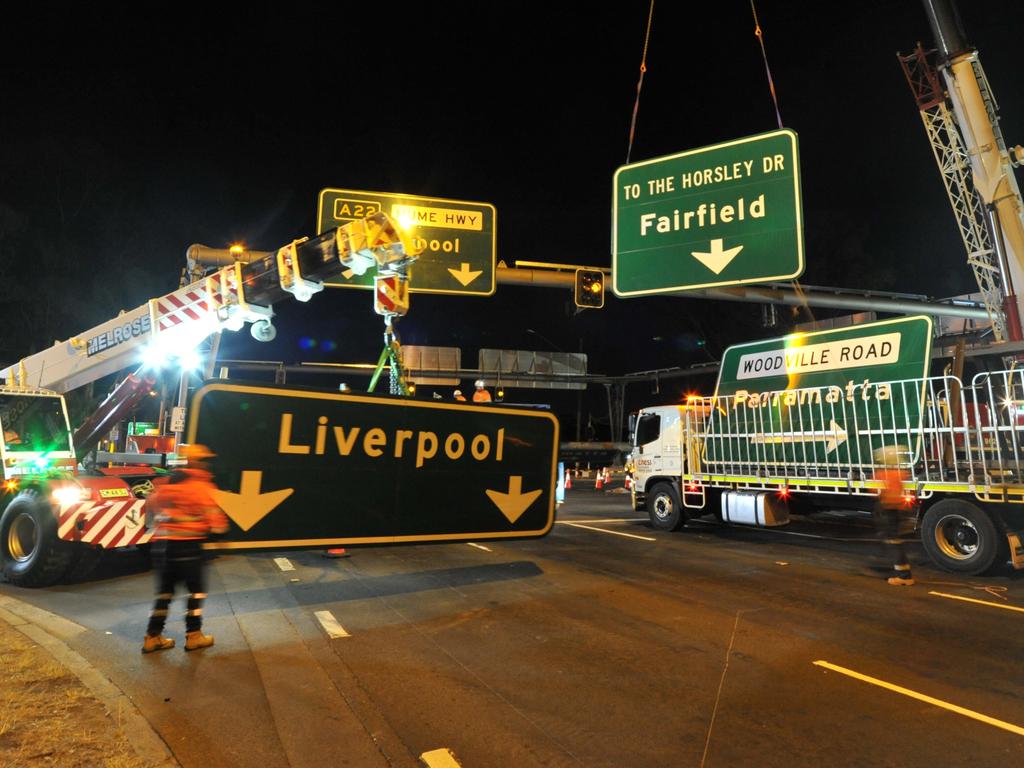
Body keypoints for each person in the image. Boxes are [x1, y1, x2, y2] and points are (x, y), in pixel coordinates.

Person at [142, 443, 229, 653]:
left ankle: (153, 637)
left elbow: (150, 505)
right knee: (196, 593)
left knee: (164, 594)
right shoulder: (202, 487)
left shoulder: (169, 484)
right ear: (200, 462)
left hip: (163, 548)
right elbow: (217, 524)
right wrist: (221, 539)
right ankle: (194, 636)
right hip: (190, 549)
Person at [873, 445, 915, 586]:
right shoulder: (900, 472)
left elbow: (873, 487)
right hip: (896, 510)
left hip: (888, 511)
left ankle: (904, 576)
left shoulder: (885, 473)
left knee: (893, 542)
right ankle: (903, 573)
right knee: (893, 540)